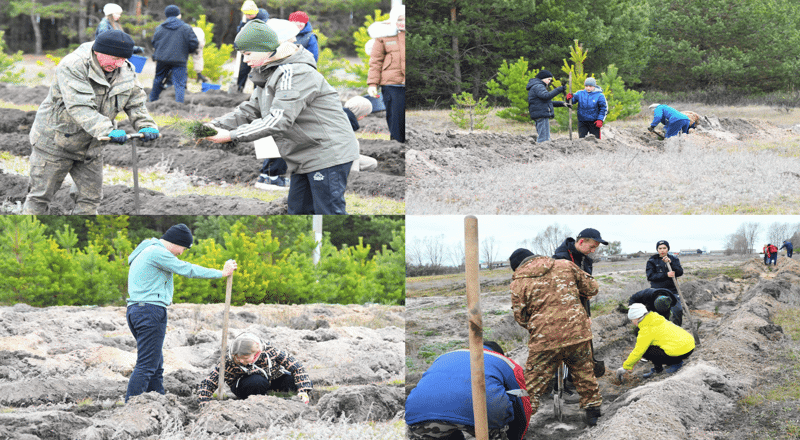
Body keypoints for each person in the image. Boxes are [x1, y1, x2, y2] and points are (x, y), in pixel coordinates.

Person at [204, 19, 359, 214]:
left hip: (327, 153)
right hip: (304, 155)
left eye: (248, 54)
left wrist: (231, 136)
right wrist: (212, 125)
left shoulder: (294, 72)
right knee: (298, 210)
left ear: (266, 48)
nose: (245, 60)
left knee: (327, 212)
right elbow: (250, 110)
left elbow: (279, 119)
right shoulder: (269, 73)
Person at [22, 30, 159, 215]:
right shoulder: (74, 65)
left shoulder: (125, 69)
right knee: (40, 197)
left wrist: (145, 124)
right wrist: (107, 129)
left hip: (92, 147)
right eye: (114, 58)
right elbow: (80, 107)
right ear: (98, 51)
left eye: (123, 59)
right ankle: (30, 238)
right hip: (55, 142)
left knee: (90, 199)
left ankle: (81, 237)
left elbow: (135, 101)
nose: (118, 63)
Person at [126, 224, 237, 402]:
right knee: (147, 365)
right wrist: (221, 273)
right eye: (183, 248)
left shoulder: (146, 249)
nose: (181, 253)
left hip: (136, 310)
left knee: (155, 363)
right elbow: (187, 269)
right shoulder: (157, 252)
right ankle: (131, 406)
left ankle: (158, 401)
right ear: (175, 242)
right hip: (149, 311)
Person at [509, 248, 603, 427]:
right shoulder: (566, 265)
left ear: (518, 267)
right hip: (578, 334)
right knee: (584, 374)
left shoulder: (518, 282)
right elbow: (593, 288)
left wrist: (540, 326)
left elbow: (520, 316)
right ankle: (593, 414)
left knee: (532, 384)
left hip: (545, 341)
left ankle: (519, 423)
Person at [405, 341, 532, 440]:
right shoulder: (504, 361)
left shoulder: (445, 356)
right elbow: (522, 401)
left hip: (419, 412)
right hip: (484, 410)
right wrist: (517, 436)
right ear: (498, 352)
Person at [197, 332, 312, 404]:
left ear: (256, 353)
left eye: (245, 357)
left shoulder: (270, 351)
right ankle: (256, 402)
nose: (241, 361)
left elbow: (297, 368)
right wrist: (204, 403)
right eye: (238, 358)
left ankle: (282, 399)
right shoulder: (228, 361)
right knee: (257, 381)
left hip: (272, 378)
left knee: (293, 382)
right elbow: (208, 383)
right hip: (246, 385)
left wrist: (303, 391)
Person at [616, 303, 695, 381]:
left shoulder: (646, 330)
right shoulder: (656, 318)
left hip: (682, 351)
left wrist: (625, 367)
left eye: (632, 320)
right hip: (690, 345)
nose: (632, 322)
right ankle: (659, 368)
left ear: (636, 318)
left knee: (646, 351)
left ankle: (676, 364)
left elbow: (638, 351)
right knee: (652, 347)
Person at [367, 5, 405, 143]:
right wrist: (372, 83)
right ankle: (397, 144)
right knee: (395, 117)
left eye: (405, 19)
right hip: (392, 84)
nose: (402, 22)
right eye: (399, 19)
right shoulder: (383, 36)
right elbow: (375, 61)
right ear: (393, 20)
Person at [149, 5, 199, 104]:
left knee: (158, 79)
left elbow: (154, 42)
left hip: (162, 58)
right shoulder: (186, 28)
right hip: (179, 59)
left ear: (166, 15)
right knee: (179, 83)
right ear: (178, 15)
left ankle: (152, 101)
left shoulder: (160, 28)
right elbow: (194, 43)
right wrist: (186, 51)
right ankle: (179, 105)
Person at [646, 240, 684, 326]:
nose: (662, 250)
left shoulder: (674, 259)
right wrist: (666, 274)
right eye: (660, 248)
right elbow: (650, 276)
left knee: (678, 311)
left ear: (668, 249)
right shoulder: (652, 260)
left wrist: (671, 264)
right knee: (660, 313)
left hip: (672, 291)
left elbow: (680, 272)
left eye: (664, 248)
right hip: (658, 291)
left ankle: (677, 329)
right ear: (657, 250)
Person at [236, 1, 269, 93]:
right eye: (246, 14)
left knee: (258, 71)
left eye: (250, 14)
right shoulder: (245, 19)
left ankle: (256, 91)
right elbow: (239, 31)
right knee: (243, 70)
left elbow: (262, 30)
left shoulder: (263, 16)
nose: (248, 16)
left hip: (259, 49)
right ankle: (239, 88)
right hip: (247, 49)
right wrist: (241, 29)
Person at [526, 70, 568, 143]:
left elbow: (546, 102)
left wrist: (562, 103)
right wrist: (559, 89)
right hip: (541, 114)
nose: (549, 82)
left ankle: (542, 151)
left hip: (539, 113)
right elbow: (546, 96)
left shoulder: (536, 85)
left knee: (544, 136)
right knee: (544, 139)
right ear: (543, 78)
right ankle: (542, 152)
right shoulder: (538, 86)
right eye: (549, 79)